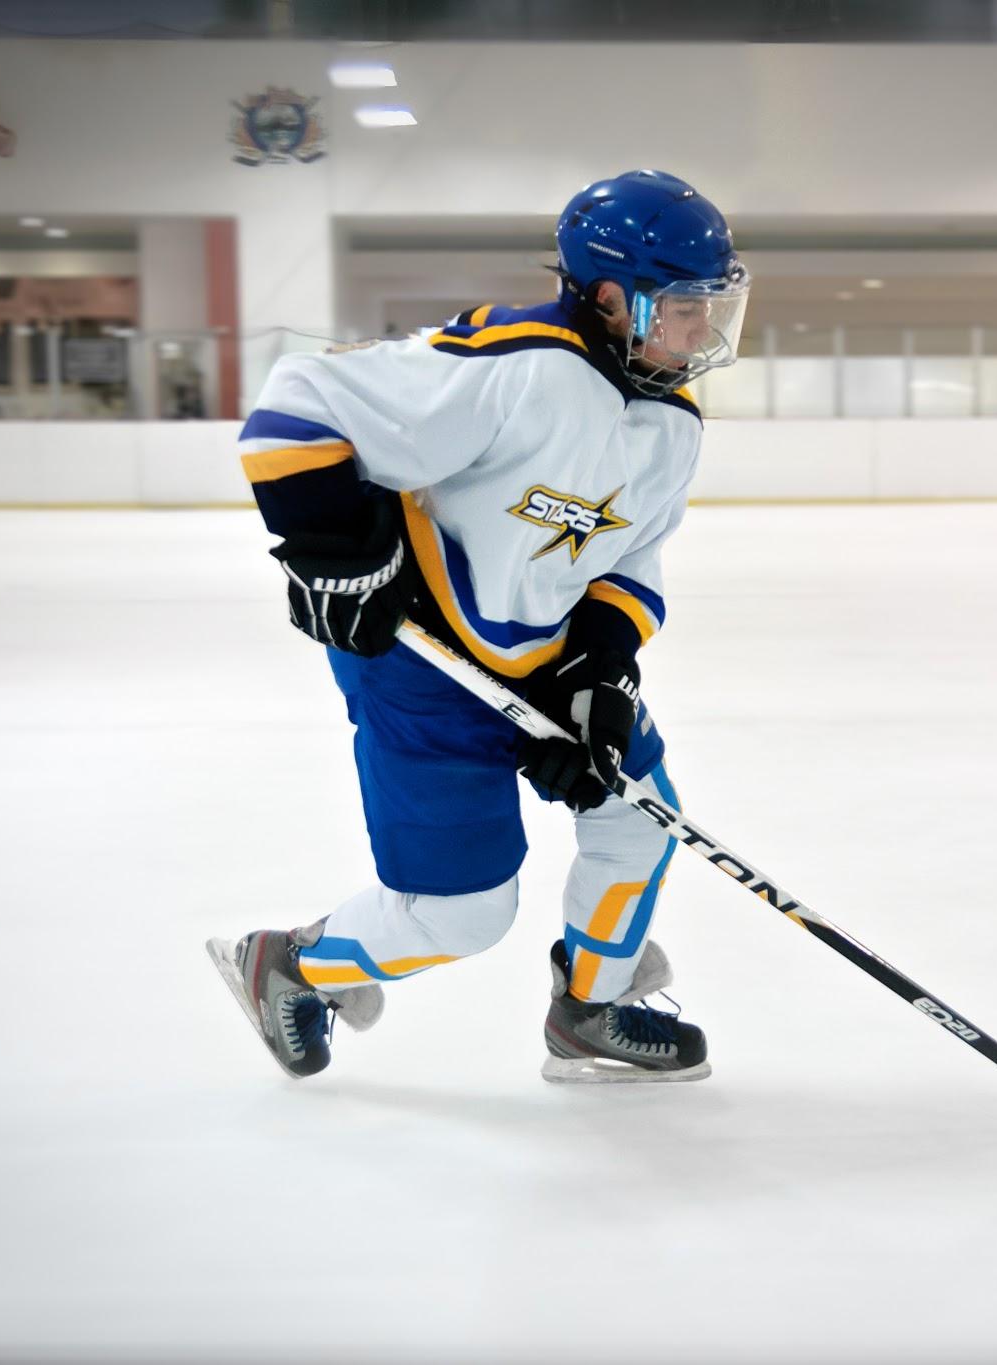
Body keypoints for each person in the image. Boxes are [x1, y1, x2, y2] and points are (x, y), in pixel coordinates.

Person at [208, 170, 749, 1085]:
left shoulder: (670, 417)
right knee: (460, 915)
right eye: (688, 307)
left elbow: (628, 560)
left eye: (716, 306)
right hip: (425, 671)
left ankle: (591, 1010)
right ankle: (291, 966)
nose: (706, 332)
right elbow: (294, 410)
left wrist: (602, 674)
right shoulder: (518, 364)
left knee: (639, 822)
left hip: (544, 658)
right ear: (614, 298)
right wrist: (338, 546)